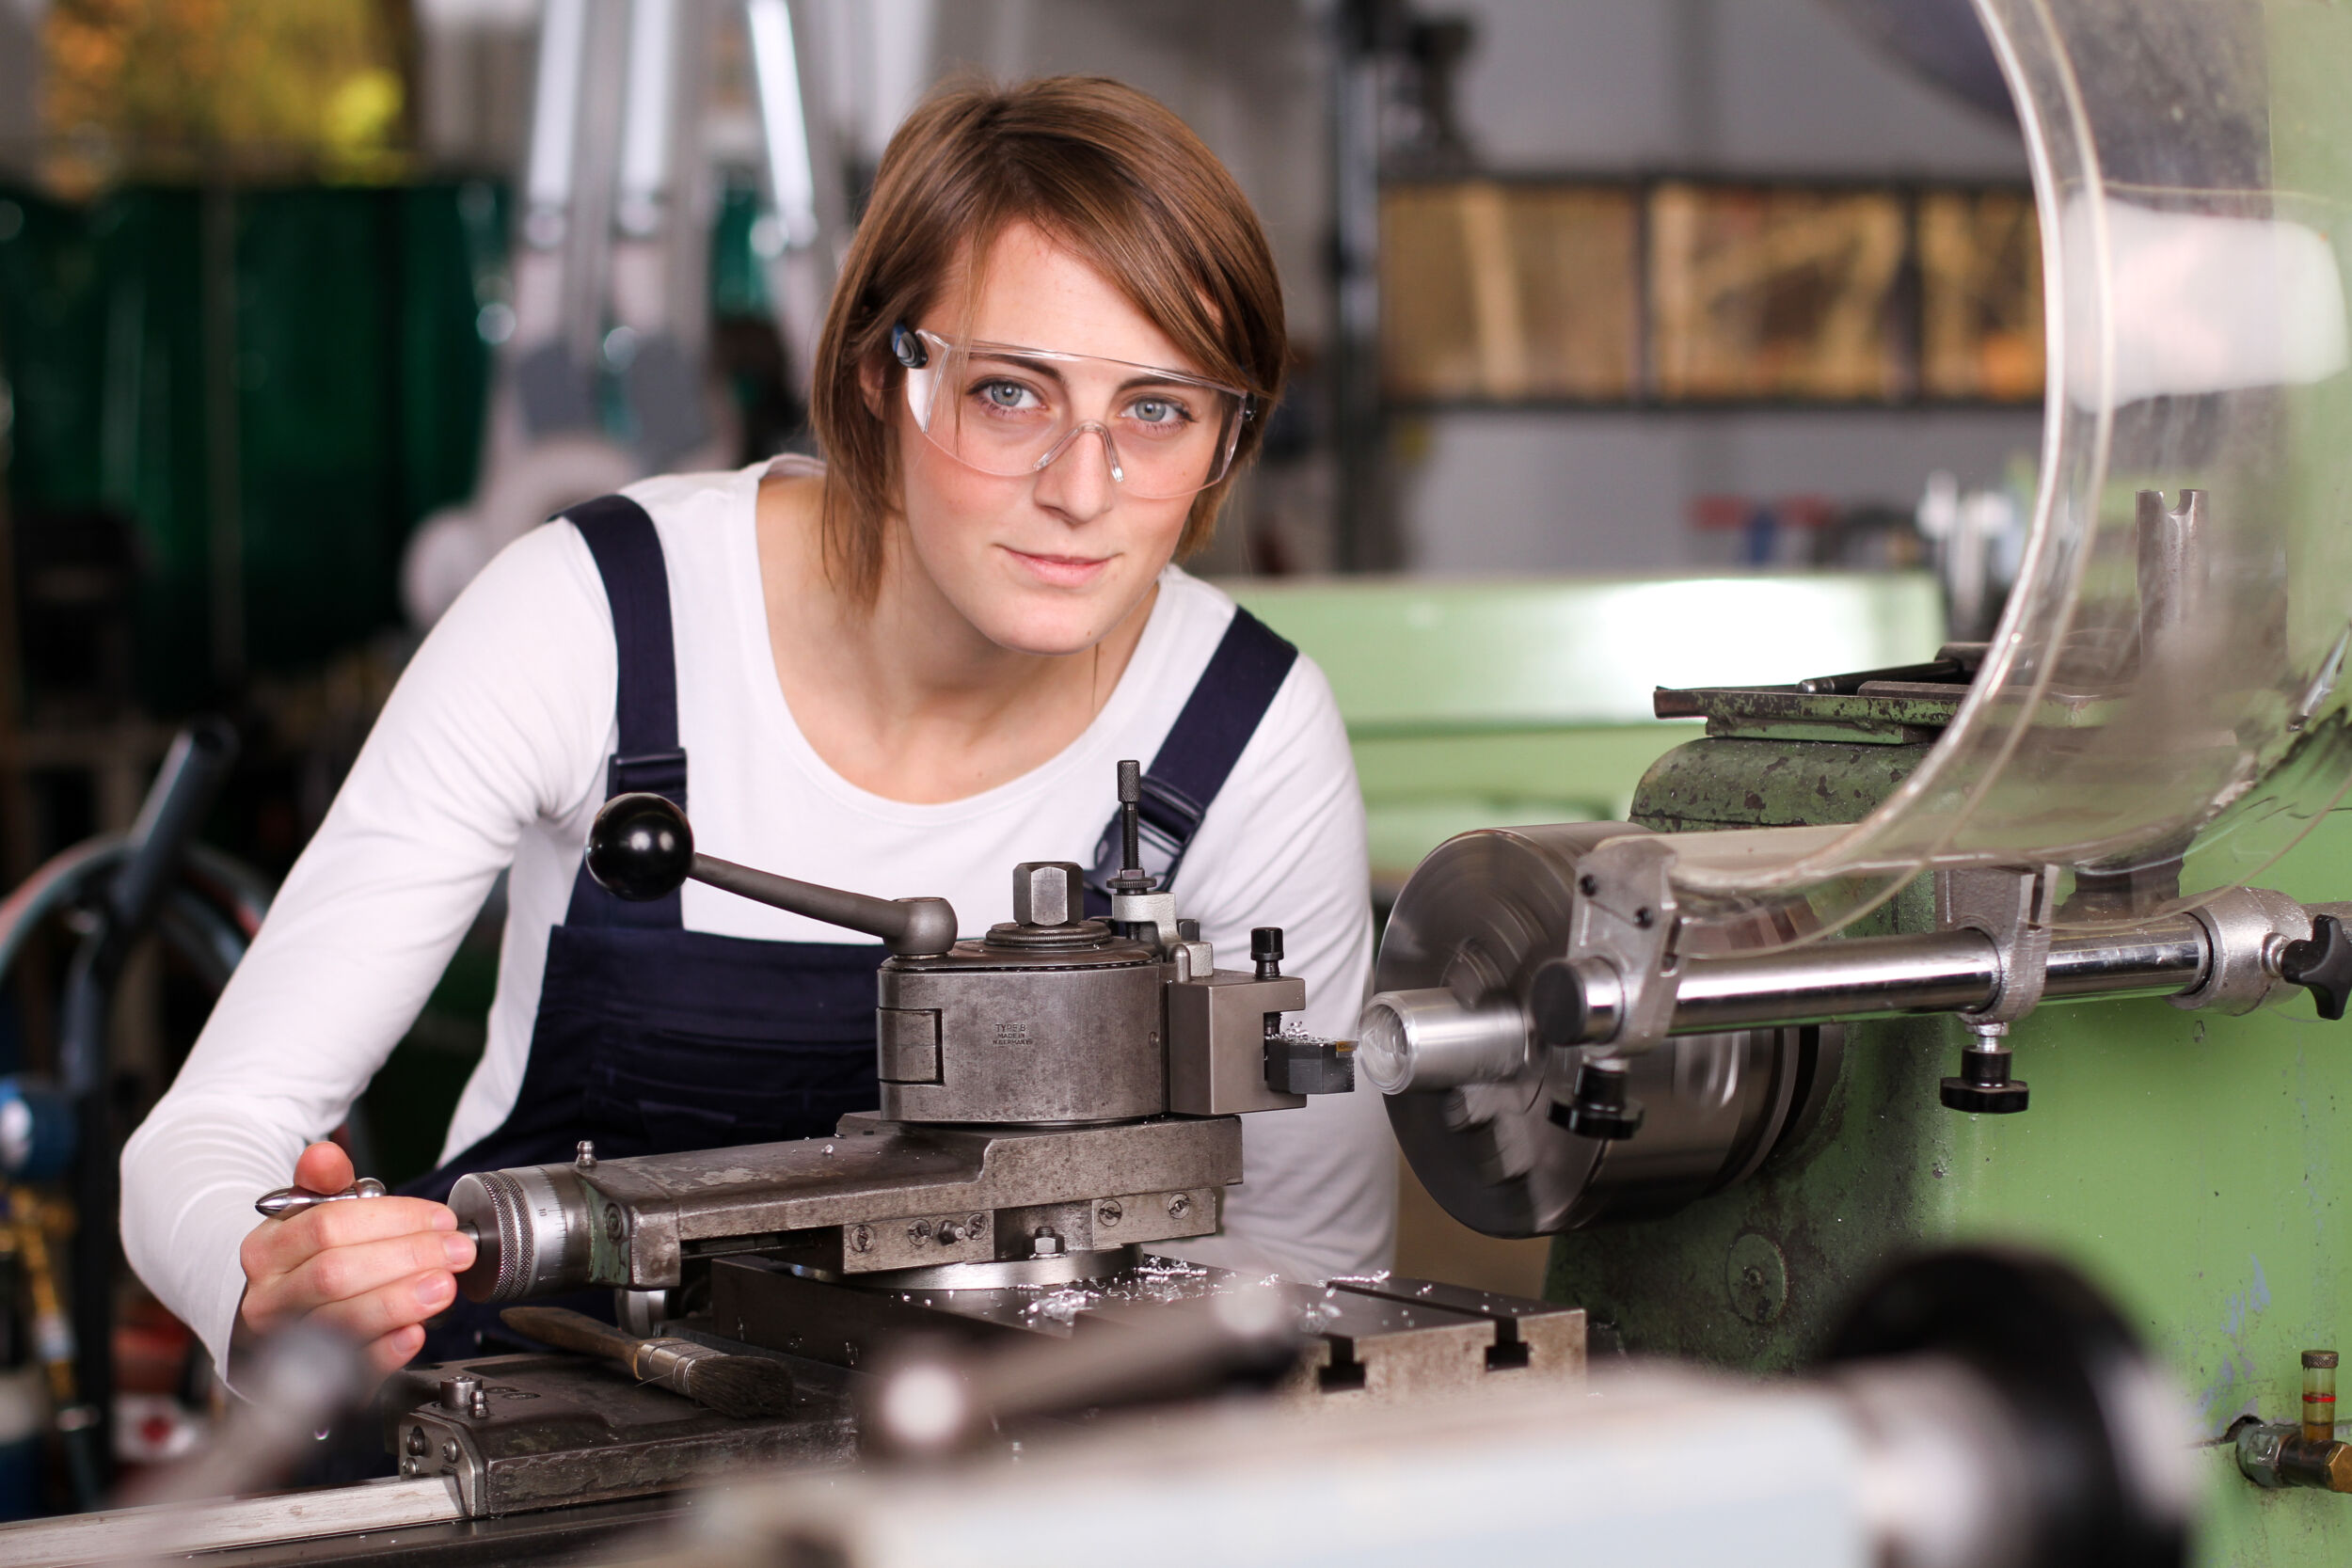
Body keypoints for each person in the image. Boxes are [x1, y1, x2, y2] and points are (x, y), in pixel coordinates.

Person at [122, 75, 1394, 1386]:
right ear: (877, 376)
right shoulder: (598, 620)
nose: (1082, 490)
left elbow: (1306, 1265)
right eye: (1010, 394)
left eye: (1156, 410)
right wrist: (269, 1280)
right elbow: (215, 1129)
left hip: (1006, 1466)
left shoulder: (1242, 728)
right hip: (528, 1430)